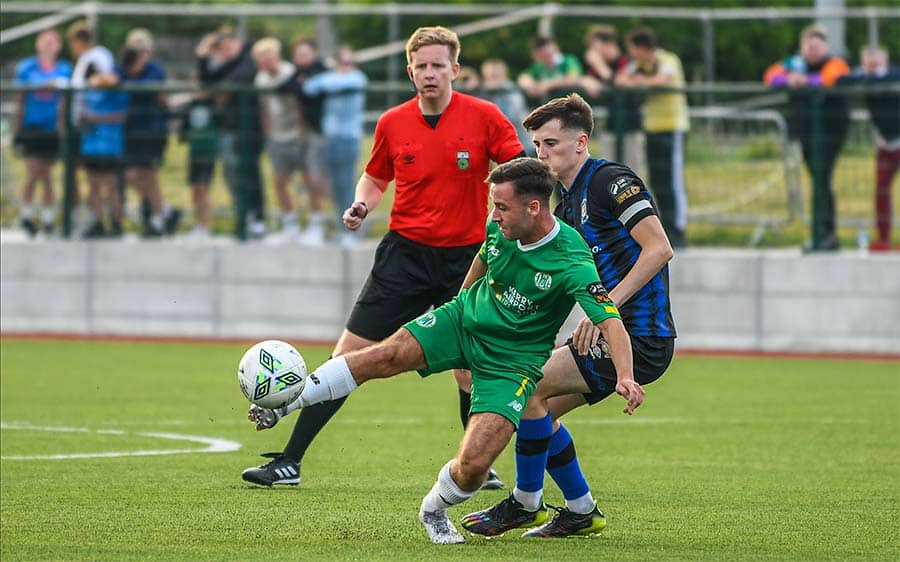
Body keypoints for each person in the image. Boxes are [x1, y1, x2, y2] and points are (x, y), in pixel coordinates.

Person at [247, 157, 643, 545]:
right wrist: (461, 300)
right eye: (494, 205)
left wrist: (624, 376)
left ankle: (434, 509)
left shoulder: (571, 258)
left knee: (473, 467)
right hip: (461, 323)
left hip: (512, 362)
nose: (495, 215)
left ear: (534, 206)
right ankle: (284, 403)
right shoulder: (499, 226)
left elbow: (610, 321)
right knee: (383, 356)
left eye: (502, 207)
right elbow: (481, 259)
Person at [240, 25, 525, 489]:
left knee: (468, 367)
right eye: (422, 66)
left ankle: (479, 466)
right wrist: (361, 204)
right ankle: (288, 462)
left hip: (467, 260)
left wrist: (506, 220)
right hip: (404, 256)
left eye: (438, 65)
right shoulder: (393, 122)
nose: (430, 74)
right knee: (347, 357)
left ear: (455, 69)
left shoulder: (486, 117)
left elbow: (517, 171)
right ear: (409, 70)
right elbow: (375, 179)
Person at [461, 93, 675, 539]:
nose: (541, 154)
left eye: (550, 144)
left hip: (641, 336)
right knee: (539, 414)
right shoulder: (566, 202)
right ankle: (581, 510)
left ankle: (524, 503)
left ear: (581, 143)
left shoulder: (609, 181)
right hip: (613, 331)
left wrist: (603, 311)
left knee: (528, 387)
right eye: (536, 145)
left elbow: (659, 248)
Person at [764, 24, 850, 251]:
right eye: (808, 44)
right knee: (819, 180)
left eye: (817, 43)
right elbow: (771, 75)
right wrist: (788, 79)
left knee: (822, 179)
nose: (812, 49)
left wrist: (804, 81)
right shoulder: (796, 64)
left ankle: (825, 234)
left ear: (825, 46)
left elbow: (829, 79)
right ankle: (823, 234)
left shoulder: (835, 63)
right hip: (806, 131)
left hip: (830, 132)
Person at [615, 26, 689, 248]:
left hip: (672, 127)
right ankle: (663, 228)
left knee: (672, 181)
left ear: (641, 48)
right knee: (656, 181)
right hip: (652, 127)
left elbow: (662, 80)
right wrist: (638, 78)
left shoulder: (668, 60)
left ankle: (678, 229)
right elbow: (620, 80)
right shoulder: (638, 65)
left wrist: (638, 82)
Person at [199, 27, 266, 240]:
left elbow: (236, 82)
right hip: (229, 128)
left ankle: (256, 218)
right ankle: (243, 215)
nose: (225, 50)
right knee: (232, 174)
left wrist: (219, 91)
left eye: (229, 45)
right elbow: (207, 82)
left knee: (248, 174)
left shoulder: (248, 59)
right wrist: (202, 58)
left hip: (248, 131)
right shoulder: (227, 64)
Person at [301, 45, 368, 246]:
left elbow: (339, 84)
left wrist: (333, 73)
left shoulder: (357, 77)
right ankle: (342, 229)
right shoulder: (330, 77)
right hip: (330, 138)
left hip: (349, 138)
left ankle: (353, 231)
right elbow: (308, 88)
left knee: (347, 185)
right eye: (343, 62)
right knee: (333, 187)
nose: (347, 66)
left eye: (350, 62)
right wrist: (331, 73)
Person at [116, 28, 180, 238]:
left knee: (146, 175)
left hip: (151, 130)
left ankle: (158, 216)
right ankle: (163, 212)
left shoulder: (155, 70)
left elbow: (147, 89)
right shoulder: (124, 67)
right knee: (133, 175)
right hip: (130, 130)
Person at [67, 20, 127, 238]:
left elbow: (112, 84)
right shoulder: (91, 90)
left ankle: (116, 223)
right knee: (92, 182)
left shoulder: (101, 65)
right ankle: (97, 222)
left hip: (107, 139)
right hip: (91, 137)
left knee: (110, 183)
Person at [838, 45, 899, 252]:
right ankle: (883, 238)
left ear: (885, 60)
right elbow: (841, 80)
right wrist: (865, 75)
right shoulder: (862, 76)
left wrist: (869, 76)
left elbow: (888, 80)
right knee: (882, 190)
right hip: (885, 142)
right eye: (868, 61)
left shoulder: (893, 74)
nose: (872, 65)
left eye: (876, 61)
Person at [13, 28, 71, 237]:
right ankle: (26, 215)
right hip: (32, 126)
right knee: (33, 171)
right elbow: (20, 98)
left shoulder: (64, 68)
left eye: (53, 41)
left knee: (46, 175)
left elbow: (65, 101)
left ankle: (47, 218)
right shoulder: (27, 67)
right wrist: (17, 127)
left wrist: (62, 128)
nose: (49, 44)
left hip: (52, 128)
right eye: (45, 40)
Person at [253, 37, 306, 241]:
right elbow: (263, 108)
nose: (266, 61)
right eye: (261, 58)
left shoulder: (290, 73)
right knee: (280, 181)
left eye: (269, 56)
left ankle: (312, 223)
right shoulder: (260, 80)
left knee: (307, 180)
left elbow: (299, 104)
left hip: (296, 134)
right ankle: (289, 223)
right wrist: (269, 135)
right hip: (276, 136)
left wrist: (301, 131)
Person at [582, 24, 645, 177]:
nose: (594, 53)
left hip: (631, 127)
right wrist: (586, 80)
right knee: (608, 175)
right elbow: (592, 87)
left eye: (596, 48)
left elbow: (618, 82)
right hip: (611, 127)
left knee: (631, 175)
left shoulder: (628, 61)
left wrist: (599, 65)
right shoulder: (601, 67)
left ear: (609, 44)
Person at [286, 38, 332, 245]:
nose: (301, 58)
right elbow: (287, 86)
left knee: (323, 181)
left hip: (327, 134)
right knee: (312, 180)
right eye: (298, 54)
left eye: (305, 53)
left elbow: (308, 90)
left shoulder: (322, 70)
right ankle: (318, 222)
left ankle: (327, 223)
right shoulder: (296, 74)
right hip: (310, 134)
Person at [478, 58, 535, 157]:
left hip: (523, 146)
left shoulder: (511, 91)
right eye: (490, 77)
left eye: (496, 76)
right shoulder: (483, 92)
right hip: (503, 149)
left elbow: (510, 116)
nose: (492, 80)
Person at [517, 35, 585, 104]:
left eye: (546, 48)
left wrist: (547, 85)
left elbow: (573, 78)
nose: (545, 51)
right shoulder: (539, 66)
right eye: (541, 50)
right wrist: (530, 86)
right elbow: (524, 77)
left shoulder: (569, 60)